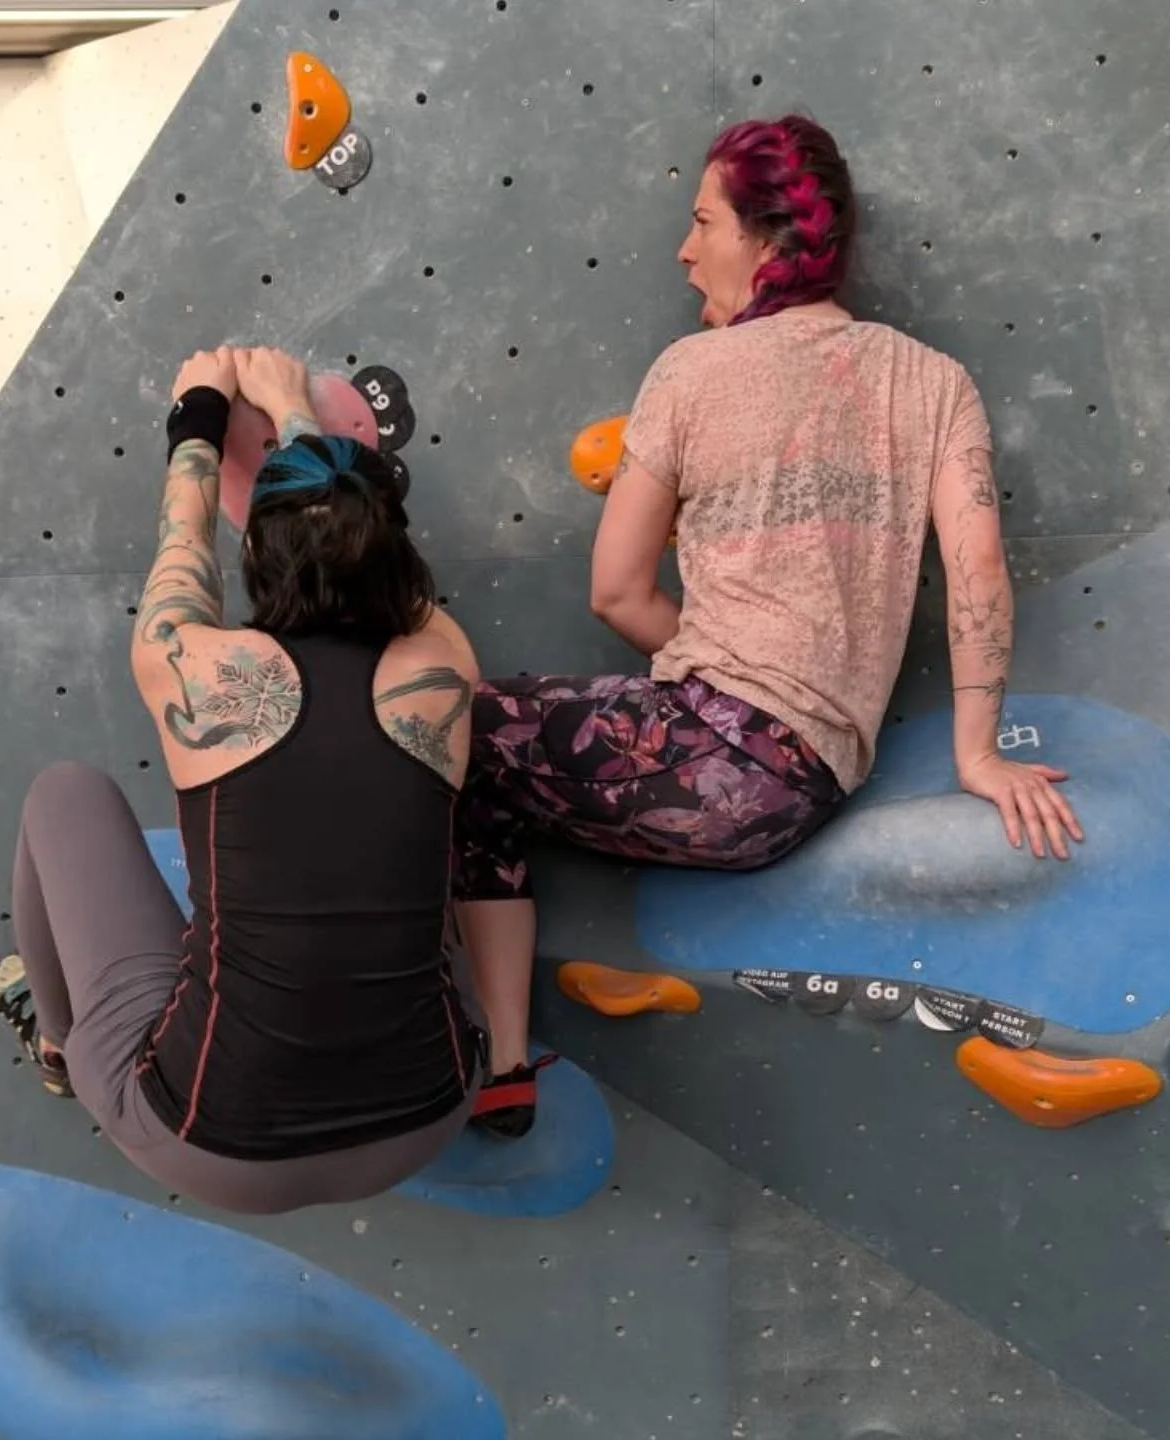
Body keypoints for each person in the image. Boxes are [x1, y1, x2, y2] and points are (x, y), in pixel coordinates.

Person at [454, 114, 1086, 1139]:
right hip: (809, 783)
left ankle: (449, 1045)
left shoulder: (690, 375)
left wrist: (710, 661)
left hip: (708, 749)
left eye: (703, 221)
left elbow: (616, 591)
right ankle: (505, 1074)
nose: (684, 248)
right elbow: (976, 569)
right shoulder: (935, 384)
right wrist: (978, 754)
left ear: (770, 236)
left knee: (438, 722)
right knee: (483, 784)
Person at [0, 344, 489, 1213]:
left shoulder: (196, 668)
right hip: (428, 1118)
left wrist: (200, 420)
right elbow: (375, 551)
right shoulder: (443, 668)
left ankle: (64, 1047)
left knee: (62, 793)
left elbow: (182, 539)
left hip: (213, 1145)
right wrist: (296, 414)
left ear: (257, 554)